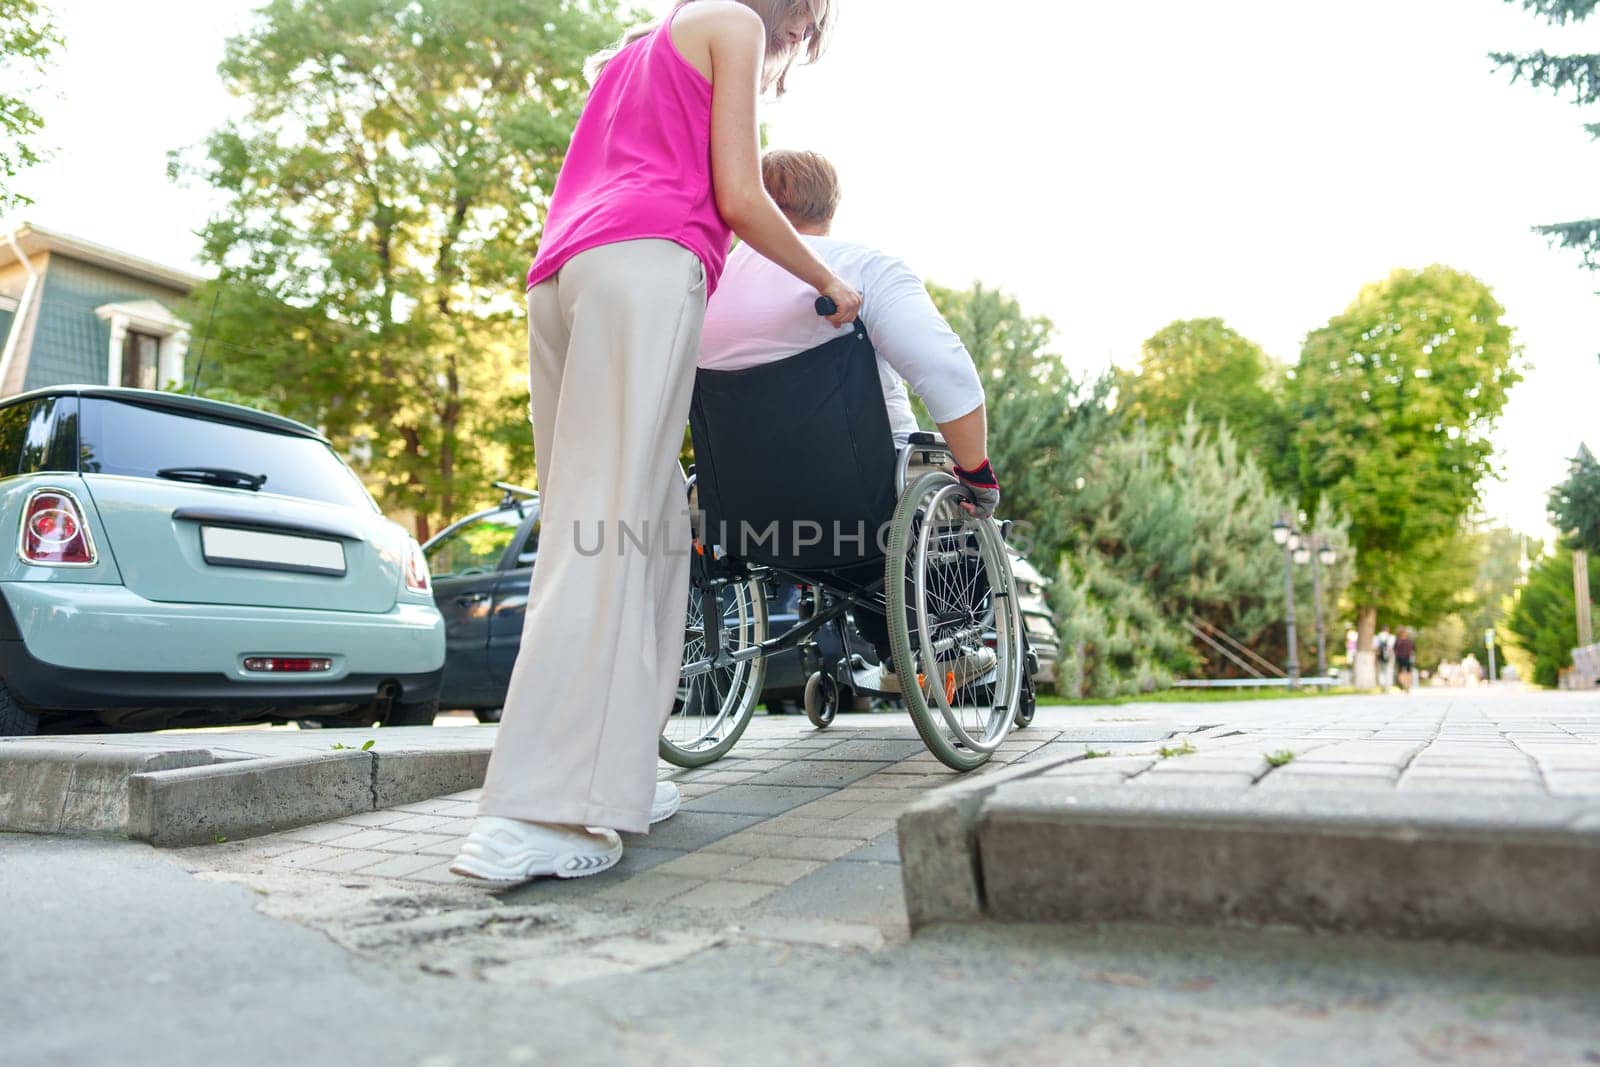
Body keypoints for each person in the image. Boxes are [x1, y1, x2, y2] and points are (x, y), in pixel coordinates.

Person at [451, 0, 861, 886]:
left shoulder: (633, 50)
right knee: (607, 533)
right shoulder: (735, 26)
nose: (797, 43)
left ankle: (615, 780)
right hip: (647, 264)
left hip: (563, 273)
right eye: (807, 25)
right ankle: (537, 810)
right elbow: (740, 196)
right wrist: (827, 278)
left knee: (638, 529)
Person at [697, 148, 997, 685]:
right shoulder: (861, 268)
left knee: (861, 502)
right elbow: (947, 374)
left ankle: (887, 649)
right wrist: (977, 474)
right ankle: (939, 645)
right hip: (861, 500)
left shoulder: (704, 286)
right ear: (830, 205)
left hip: (741, 512)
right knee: (928, 481)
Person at [1394, 627, 1415, 692]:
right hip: (1408, 658)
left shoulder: (1398, 641)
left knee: (1401, 672)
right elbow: (1414, 650)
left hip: (1400, 658)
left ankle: (1404, 685)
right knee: (1408, 672)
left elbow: (1394, 650)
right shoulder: (1410, 641)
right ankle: (1407, 685)